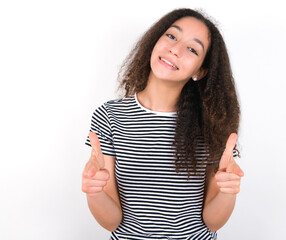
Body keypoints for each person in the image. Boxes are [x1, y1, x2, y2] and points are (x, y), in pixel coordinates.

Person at [82, 8, 244, 240]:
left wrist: (229, 191)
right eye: (171, 36)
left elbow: (212, 221)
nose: (175, 49)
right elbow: (112, 221)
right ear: (155, 40)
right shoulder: (109, 116)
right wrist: (93, 190)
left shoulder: (210, 123)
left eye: (192, 49)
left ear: (200, 70)